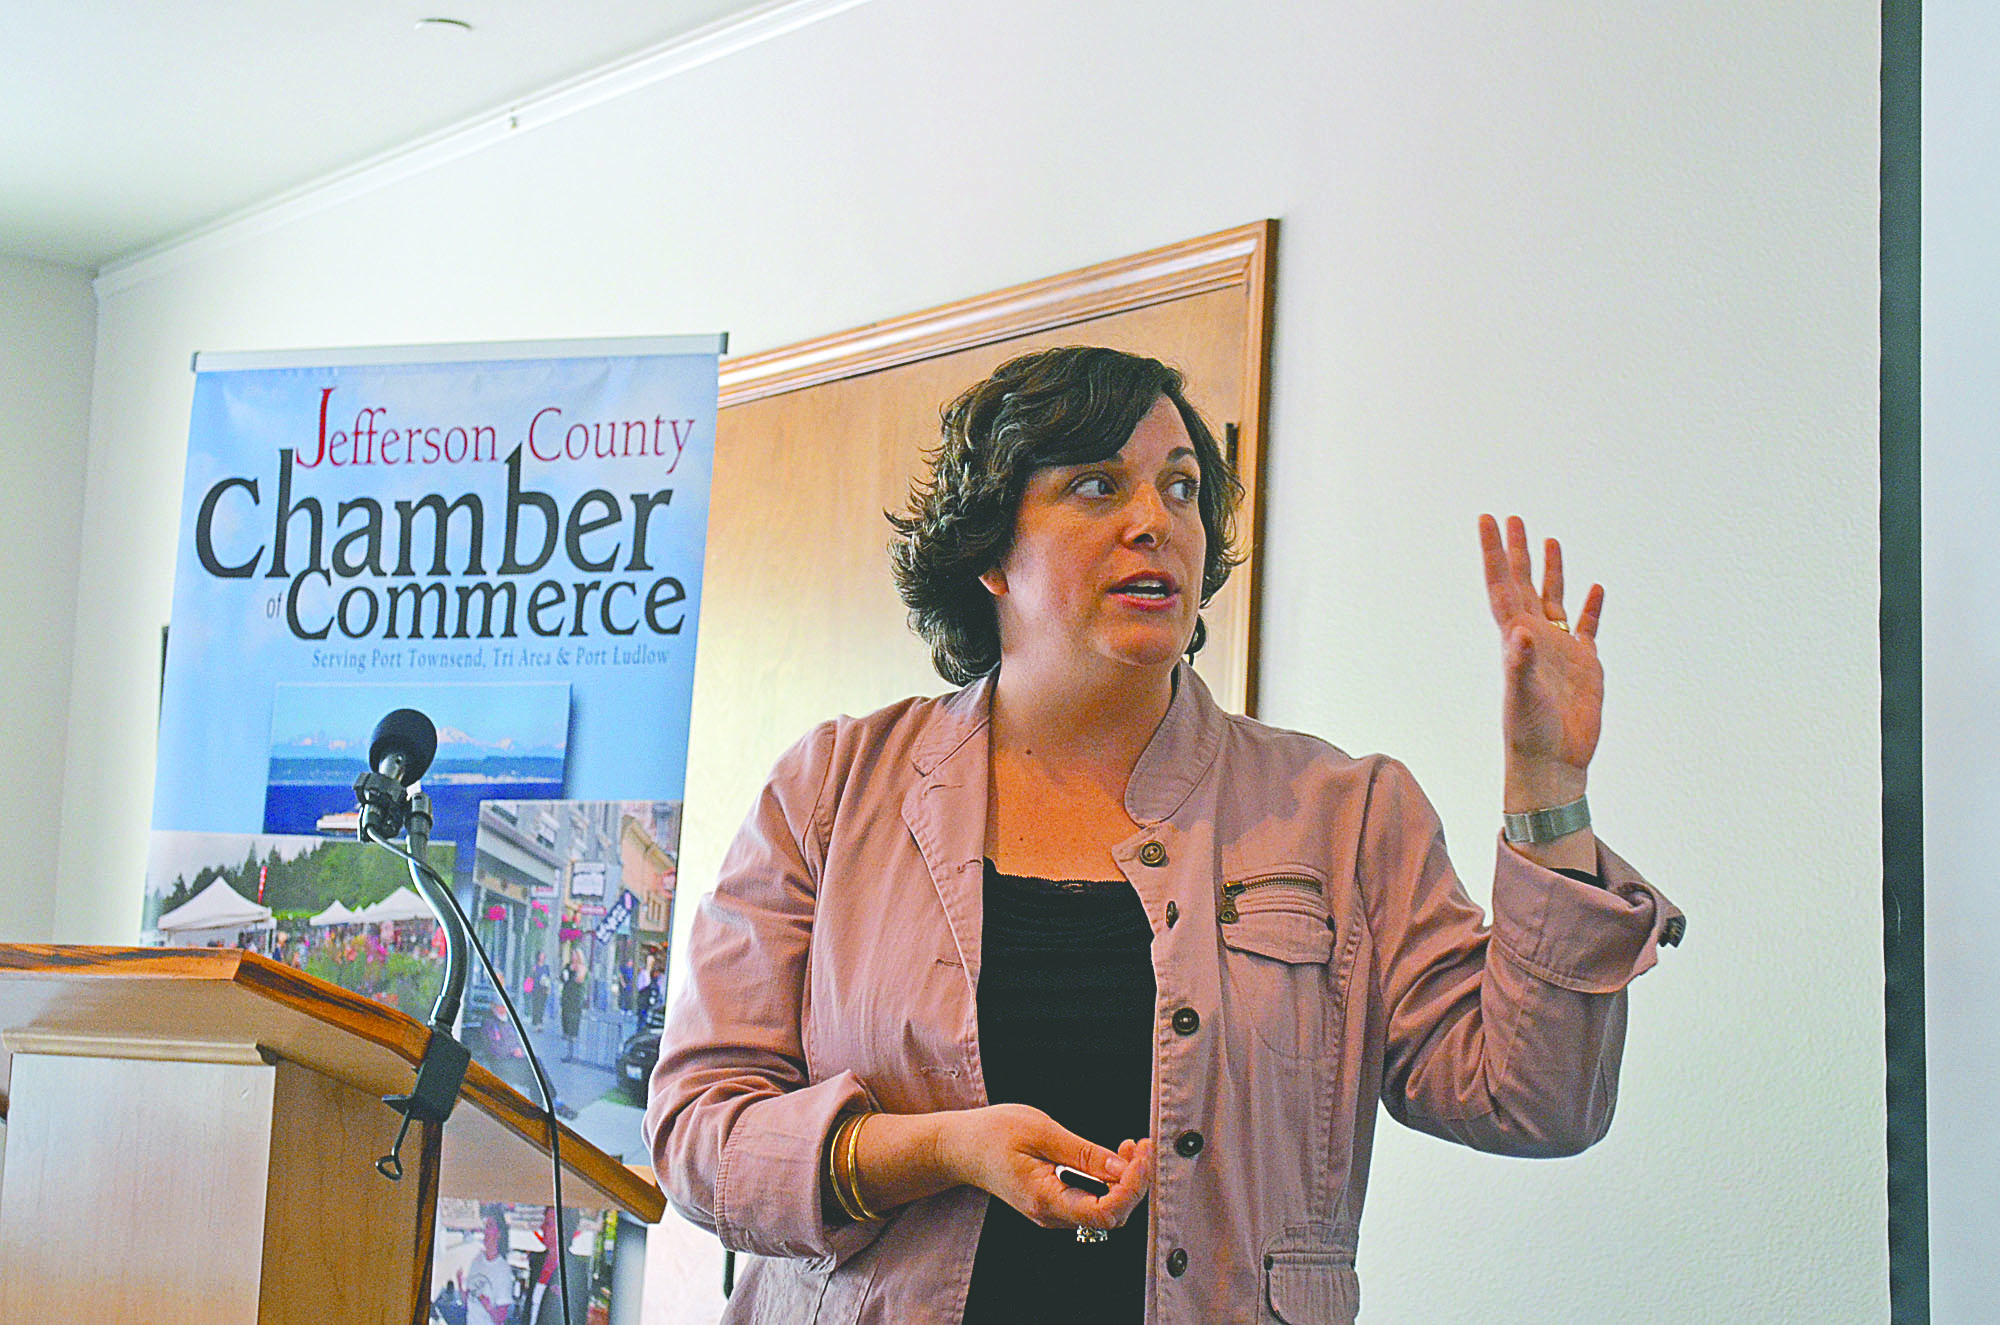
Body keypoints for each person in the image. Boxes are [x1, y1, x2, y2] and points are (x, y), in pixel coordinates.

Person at [644, 347, 1683, 1324]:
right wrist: (942, 1147)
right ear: (991, 553)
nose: (1155, 521)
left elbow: (1533, 1098)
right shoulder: (831, 789)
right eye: (1097, 485)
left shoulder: (1344, 810)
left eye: (1180, 488)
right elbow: (698, 1132)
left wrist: (1546, 788)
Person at [462, 1205, 515, 1325]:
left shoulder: (503, 1270)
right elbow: (468, 1302)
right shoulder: (476, 1260)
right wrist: (461, 1287)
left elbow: (501, 1319)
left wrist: (489, 1308)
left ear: (499, 1234)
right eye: (485, 1227)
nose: (485, 1231)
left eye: (490, 1226)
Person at [559, 949, 588, 1062]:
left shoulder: (582, 968)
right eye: (572, 955)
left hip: (575, 997)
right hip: (567, 994)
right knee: (565, 1015)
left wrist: (573, 975)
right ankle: (566, 1033)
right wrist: (564, 975)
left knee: (574, 1017)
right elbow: (562, 977)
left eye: (575, 955)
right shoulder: (567, 966)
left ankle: (573, 1037)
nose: (573, 957)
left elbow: (579, 980)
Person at [527, 952, 553, 1031]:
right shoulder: (535, 966)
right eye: (541, 955)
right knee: (536, 1006)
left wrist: (548, 987)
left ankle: (540, 1023)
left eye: (543, 955)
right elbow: (531, 976)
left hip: (544, 989)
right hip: (536, 988)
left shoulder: (546, 967)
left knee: (542, 1006)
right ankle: (535, 1023)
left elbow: (548, 977)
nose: (542, 957)